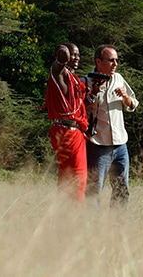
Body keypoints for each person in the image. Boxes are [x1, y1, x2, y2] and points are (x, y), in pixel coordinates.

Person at [84, 45, 138, 208]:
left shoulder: (119, 78)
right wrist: (92, 93)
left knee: (121, 189)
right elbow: (81, 108)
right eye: (111, 60)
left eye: (116, 60)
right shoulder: (85, 81)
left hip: (120, 145)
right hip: (98, 145)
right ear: (98, 61)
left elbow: (133, 104)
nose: (115, 64)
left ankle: (117, 227)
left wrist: (125, 97)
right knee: (94, 190)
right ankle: (92, 228)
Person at [45, 43, 90, 201]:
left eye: (78, 55)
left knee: (69, 176)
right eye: (73, 54)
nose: (76, 58)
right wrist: (63, 53)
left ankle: (63, 216)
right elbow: (61, 58)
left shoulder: (75, 80)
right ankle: (73, 214)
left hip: (74, 132)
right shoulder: (59, 74)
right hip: (66, 132)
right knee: (78, 176)